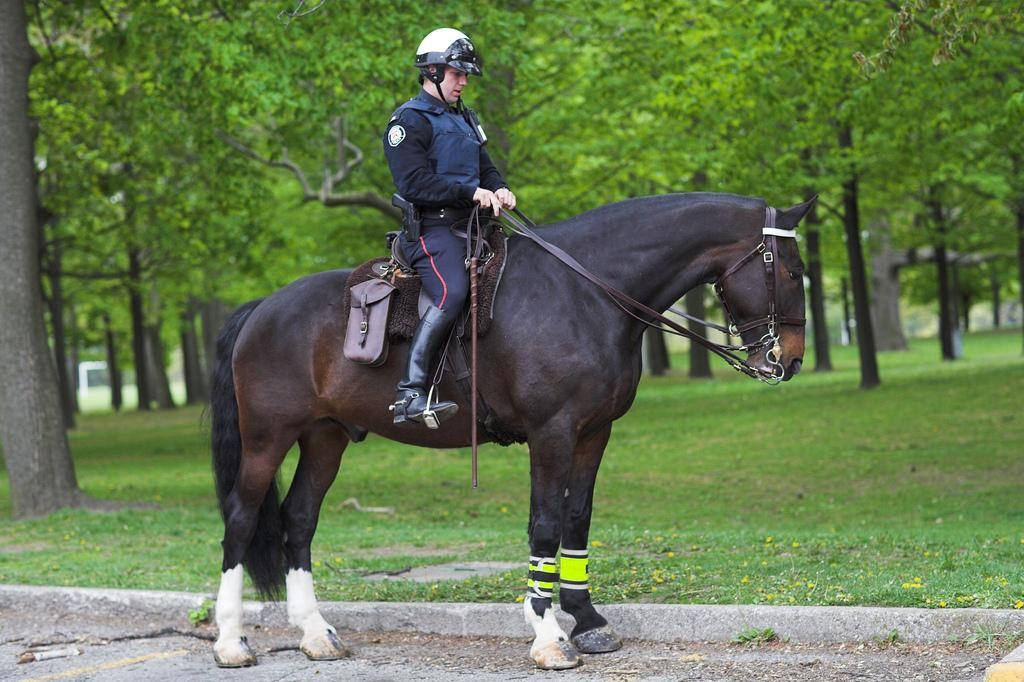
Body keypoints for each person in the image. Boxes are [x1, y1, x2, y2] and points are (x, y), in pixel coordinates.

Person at [383, 28, 516, 428]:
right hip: (432, 231)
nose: (463, 82)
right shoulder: (408, 120)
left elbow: (485, 167)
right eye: (457, 74)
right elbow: (414, 183)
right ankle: (410, 392)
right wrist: (471, 192)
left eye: (466, 75)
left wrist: (499, 187)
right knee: (452, 290)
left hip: (473, 228)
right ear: (434, 72)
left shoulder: (465, 118)